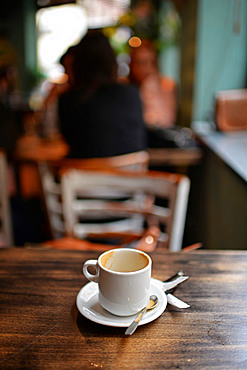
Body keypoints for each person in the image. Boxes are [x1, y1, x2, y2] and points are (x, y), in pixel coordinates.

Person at [58, 30, 147, 158]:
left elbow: (69, 142)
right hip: (132, 175)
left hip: (85, 176)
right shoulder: (131, 93)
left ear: (77, 65)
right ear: (112, 62)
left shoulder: (68, 100)